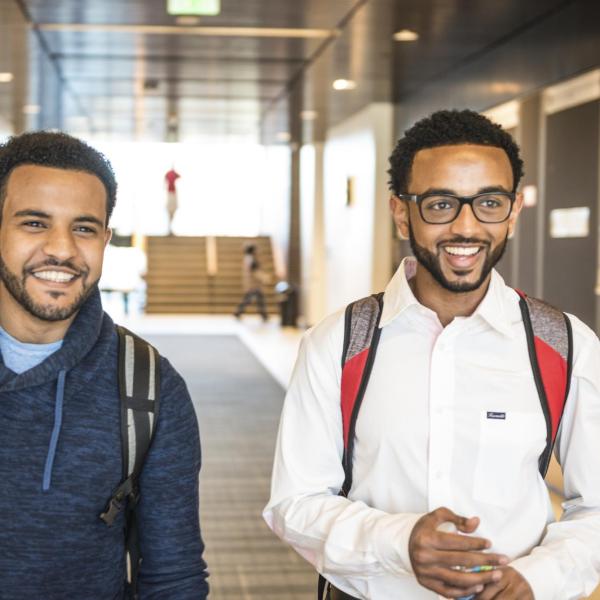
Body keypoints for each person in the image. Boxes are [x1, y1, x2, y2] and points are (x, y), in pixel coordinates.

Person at [264, 110, 600, 599]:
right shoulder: (337, 342)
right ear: (401, 211)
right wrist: (400, 542)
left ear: (513, 211)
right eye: (441, 204)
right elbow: (294, 502)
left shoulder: (567, 344)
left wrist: (538, 578)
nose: (466, 227)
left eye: (488, 202)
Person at [0, 132, 209, 599]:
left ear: (106, 240)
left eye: (84, 228)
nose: (61, 249)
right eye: (34, 223)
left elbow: (173, 576)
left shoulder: (149, 386)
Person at [234, 243, 268, 321]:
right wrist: (264, 277)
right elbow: (255, 271)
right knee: (251, 299)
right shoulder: (251, 259)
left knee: (257, 299)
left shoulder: (247, 258)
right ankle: (238, 312)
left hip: (251, 282)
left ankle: (263, 315)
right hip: (253, 283)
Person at [164, 166, 180, 235]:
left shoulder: (173, 174)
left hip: (173, 194)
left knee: (172, 212)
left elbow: (179, 176)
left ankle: (170, 229)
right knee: (170, 212)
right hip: (170, 194)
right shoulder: (168, 174)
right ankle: (169, 229)